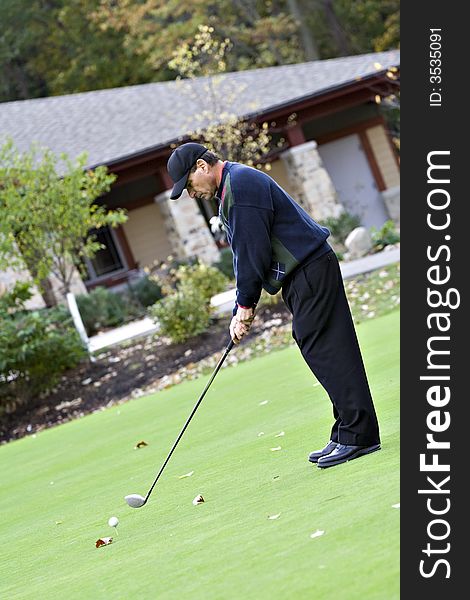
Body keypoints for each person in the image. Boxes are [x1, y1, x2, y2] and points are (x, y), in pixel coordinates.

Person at [166, 142, 380, 468]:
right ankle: (347, 431)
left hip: (308, 269)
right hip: (305, 271)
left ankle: (359, 435)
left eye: (189, 185)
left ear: (201, 166)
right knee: (322, 346)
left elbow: (251, 255)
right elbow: (247, 253)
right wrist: (244, 305)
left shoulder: (240, 186)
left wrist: (244, 308)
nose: (191, 194)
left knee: (326, 348)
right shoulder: (234, 185)